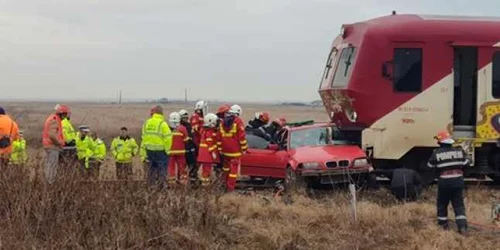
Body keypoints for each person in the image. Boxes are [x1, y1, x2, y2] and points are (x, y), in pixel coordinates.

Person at [427, 131, 470, 234]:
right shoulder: (459, 151)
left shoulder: (436, 153)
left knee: (442, 203)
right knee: (458, 204)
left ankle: (443, 226)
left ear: (440, 143)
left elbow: (429, 166)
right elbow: (467, 163)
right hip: (458, 180)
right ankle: (462, 227)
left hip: (444, 182)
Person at [141, 105, 172, 189]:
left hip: (149, 151)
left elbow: (143, 138)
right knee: (162, 169)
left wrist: (143, 153)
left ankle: (151, 186)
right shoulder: (163, 124)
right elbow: (168, 138)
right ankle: (161, 186)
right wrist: (168, 151)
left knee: (151, 170)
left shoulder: (146, 123)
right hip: (161, 151)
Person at [217, 106, 247, 192]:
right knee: (233, 172)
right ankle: (230, 188)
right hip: (235, 152)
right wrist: (244, 148)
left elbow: (219, 137)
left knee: (226, 169)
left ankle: (223, 184)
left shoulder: (222, 121)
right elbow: (242, 137)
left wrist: (220, 149)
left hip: (224, 151)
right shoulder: (238, 122)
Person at [42, 104, 70, 184]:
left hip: (50, 146)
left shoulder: (52, 118)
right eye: (65, 114)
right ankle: (50, 183)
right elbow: (52, 135)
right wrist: (59, 143)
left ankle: (49, 182)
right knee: (52, 166)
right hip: (53, 147)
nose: (65, 117)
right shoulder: (55, 120)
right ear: (62, 113)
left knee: (50, 165)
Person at [167, 112, 189, 186]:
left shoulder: (167, 128)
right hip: (181, 152)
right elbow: (186, 140)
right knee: (182, 167)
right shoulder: (182, 128)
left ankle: (172, 183)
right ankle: (183, 182)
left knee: (171, 167)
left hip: (170, 152)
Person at [198, 113, 220, 187]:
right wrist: (213, 152)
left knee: (206, 169)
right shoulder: (209, 132)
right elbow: (210, 143)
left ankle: (205, 183)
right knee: (206, 170)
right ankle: (205, 185)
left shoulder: (205, 131)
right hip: (207, 155)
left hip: (204, 155)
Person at [179, 109, 198, 182]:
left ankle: (193, 181)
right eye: (184, 118)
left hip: (190, 150)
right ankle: (182, 181)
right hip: (182, 150)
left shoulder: (190, 126)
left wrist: (195, 148)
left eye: (186, 118)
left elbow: (193, 138)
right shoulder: (178, 127)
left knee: (193, 166)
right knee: (182, 167)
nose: (185, 119)